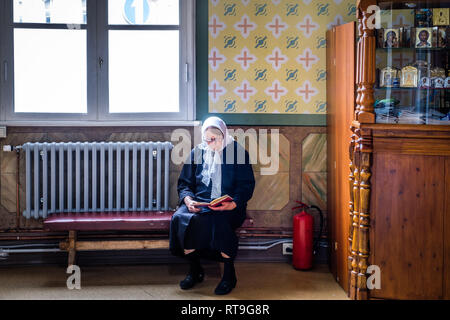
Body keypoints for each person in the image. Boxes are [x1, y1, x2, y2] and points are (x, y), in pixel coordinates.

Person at [169, 116, 255, 295]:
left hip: (228, 206)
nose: (209, 143)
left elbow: (246, 185)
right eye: (206, 139)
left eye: (213, 139)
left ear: (223, 136)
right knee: (180, 218)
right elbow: (184, 184)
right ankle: (195, 270)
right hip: (200, 202)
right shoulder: (197, 152)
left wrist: (234, 204)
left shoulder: (237, 153)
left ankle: (229, 275)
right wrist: (188, 200)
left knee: (220, 222)